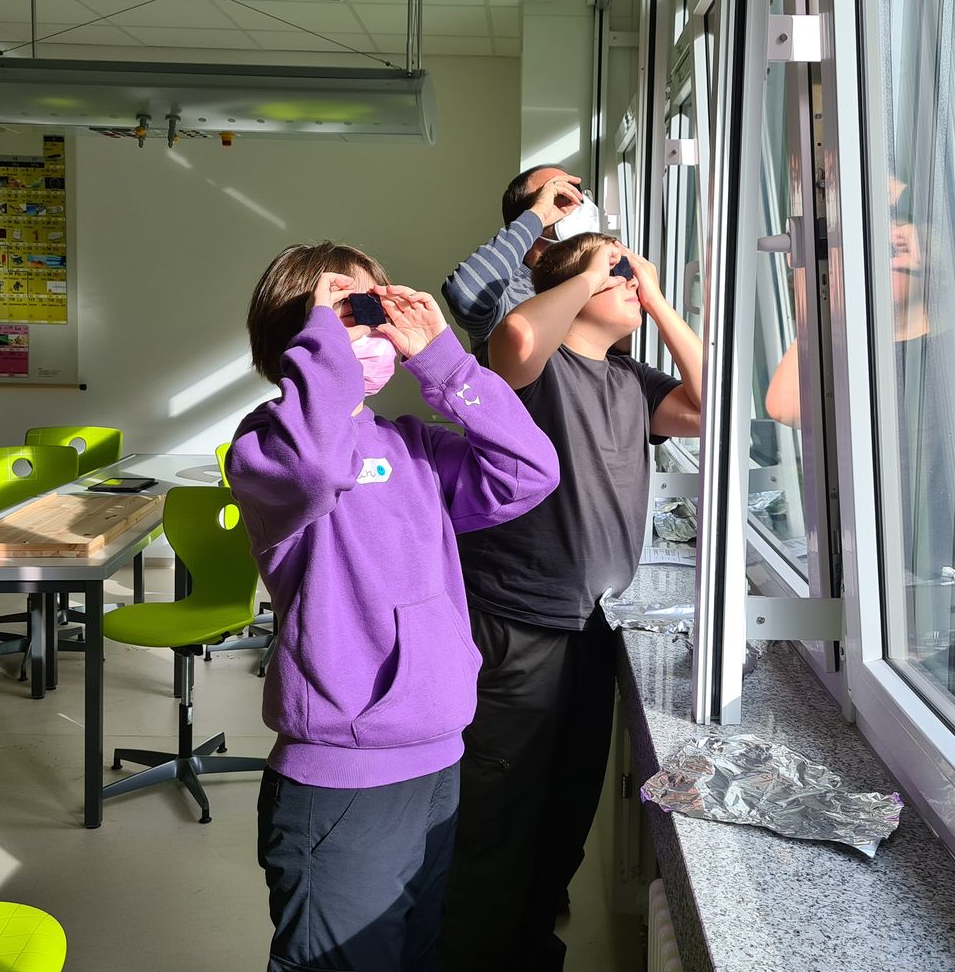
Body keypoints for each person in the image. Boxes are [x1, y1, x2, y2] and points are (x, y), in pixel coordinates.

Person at [224, 241, 560, 972]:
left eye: (376, 305)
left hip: (437, 759)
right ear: (300, 337)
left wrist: (443, 360)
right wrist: (323, 340)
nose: (372, 323)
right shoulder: (267, 449)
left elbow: (530, 473)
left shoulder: (414, 448)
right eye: (347, 309)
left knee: (415, 954)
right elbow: (316, 463)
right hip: (343, 779)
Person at [439, 233, 703, 971]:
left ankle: (528, 952)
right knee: (497, 817)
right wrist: (590, 269)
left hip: (592, 626)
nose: (629, 277)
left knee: (563, 815)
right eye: (616, 268)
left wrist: (655, 297)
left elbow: (711, 403)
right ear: (575, 284)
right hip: (520, 619)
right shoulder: (535, 371)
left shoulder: (631, 381)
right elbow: (516, 333)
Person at [440, 164, 586, 355]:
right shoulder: (506, 292)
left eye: (576, 192)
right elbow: (464, 294)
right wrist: (539, 214)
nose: (574, 201)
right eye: (558, 194)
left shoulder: (595, 280)